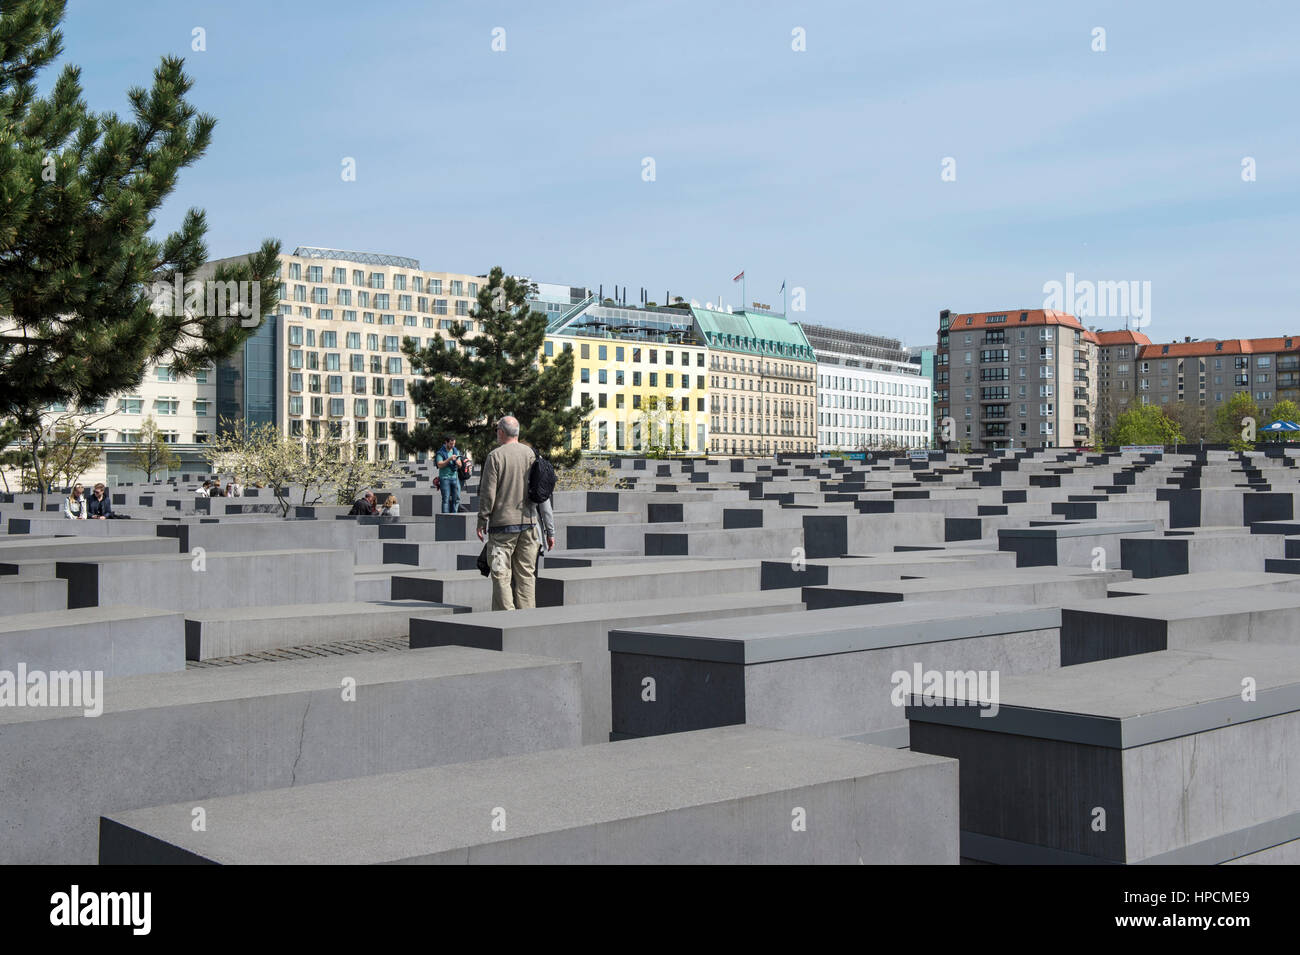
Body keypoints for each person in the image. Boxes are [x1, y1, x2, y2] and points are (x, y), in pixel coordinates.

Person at [477, 416, 541, 611]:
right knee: (526, 575)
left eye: (497, 429)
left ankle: (506, 619)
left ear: (501, 432)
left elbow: (488, 493)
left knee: (500, 574)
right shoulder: (530, 454)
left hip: (502, 527)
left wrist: (482, 520)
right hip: (529, 524)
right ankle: (527, 620)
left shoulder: (495, 456)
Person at [435, 435, 463, 514]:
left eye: (454, 444)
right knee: (446, 499)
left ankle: (454, 515)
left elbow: (460, 465)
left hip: (455, 477)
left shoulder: (455, 451)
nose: (452, 446)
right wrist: (449, 459)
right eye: (451, 444)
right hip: (445, 478)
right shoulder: (440, 452)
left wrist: (457, 462)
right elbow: (440, 465)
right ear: (446, 442)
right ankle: (445, 518)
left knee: (457, 498)